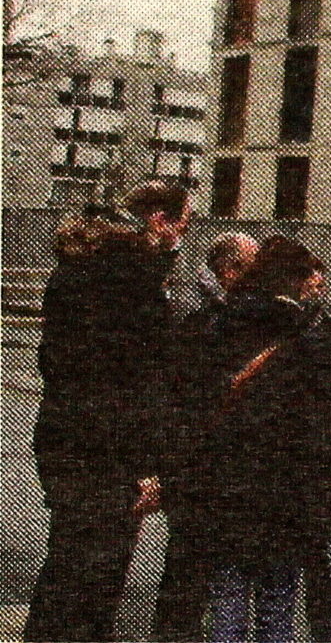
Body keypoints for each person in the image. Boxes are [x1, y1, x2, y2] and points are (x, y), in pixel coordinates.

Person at [25, 180, 190, 643]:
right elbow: (144, 378)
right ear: (159, 220)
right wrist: (149, 465)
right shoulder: (136, 280)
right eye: (182, 223)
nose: (181, 235)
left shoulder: (74, 270)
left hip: (61, 433)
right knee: (100, 574)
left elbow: (58, 361)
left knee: (68, 561)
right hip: (111, 448)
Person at [185, 237, 331, 643]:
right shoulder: (307, 334)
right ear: (294, 281)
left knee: (228, 592)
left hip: (229, 484)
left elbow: (200, 399)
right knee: (278, 599)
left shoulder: (222, 324)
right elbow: (328, 415)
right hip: (288, 489)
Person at [154, 232, 259, 642]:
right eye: (252, 269)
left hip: (199, 451)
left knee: (192, 558)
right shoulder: (201, 314)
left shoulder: (207, 307)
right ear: (229, 271)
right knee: (191, 558)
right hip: (197, 453)